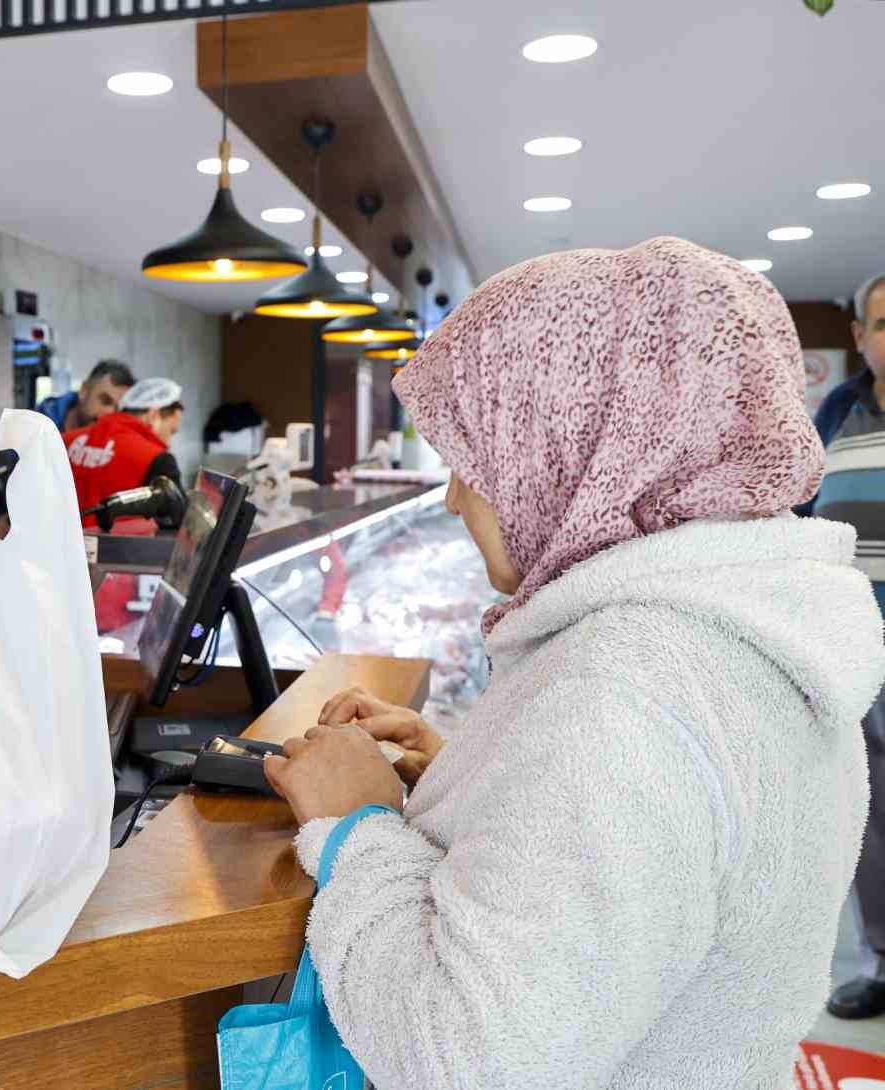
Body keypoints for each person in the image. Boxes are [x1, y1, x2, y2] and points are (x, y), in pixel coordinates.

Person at [260, 238, 885, 1085]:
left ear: (580, 448)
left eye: (479, 459)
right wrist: (473, 776)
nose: (453, 496)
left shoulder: (625, 695)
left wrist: (357, 828)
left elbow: (467, 1058)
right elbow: (670, 860)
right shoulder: (741, 626)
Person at [810, 272, 885, 1020]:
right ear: (860, 336)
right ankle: (882, 962)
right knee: (872, 815)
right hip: (858, 649)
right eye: (884, 323)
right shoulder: (837, 411)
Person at [64, 377, 184, 526]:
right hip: (120, 548)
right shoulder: (157, 458)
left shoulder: (65, 440)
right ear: (153, 416)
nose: (169, 442)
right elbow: (181, 524)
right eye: (172, 431)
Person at [37, 359, 135, 432]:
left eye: (118, 410)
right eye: (105, 401)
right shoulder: (37, 423)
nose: (109, 413)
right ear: (84, 391)